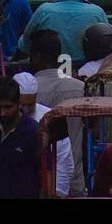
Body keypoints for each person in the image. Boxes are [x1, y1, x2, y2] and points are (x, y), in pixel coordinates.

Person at [28, 28, 87, 196]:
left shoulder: (28, 91)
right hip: (74, 180)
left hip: (40, 181)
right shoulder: (79, 87)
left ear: (37, 56)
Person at [13, 71, 74, 198]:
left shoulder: (49, 118)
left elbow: (64, 160)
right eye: (22, 105)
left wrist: (57, 193)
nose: (26, 109)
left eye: (30, 105)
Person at [17, 0, 111, 66]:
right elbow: (107, 42)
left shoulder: (44, 10)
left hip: (51, 67)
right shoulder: (97, 11)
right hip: (85, 66)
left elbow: (25, 45)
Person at [0, 77, 41, 199]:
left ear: (18, 104)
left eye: (7, 107)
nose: (2, 113)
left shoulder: (34, 132)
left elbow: (45, 171)